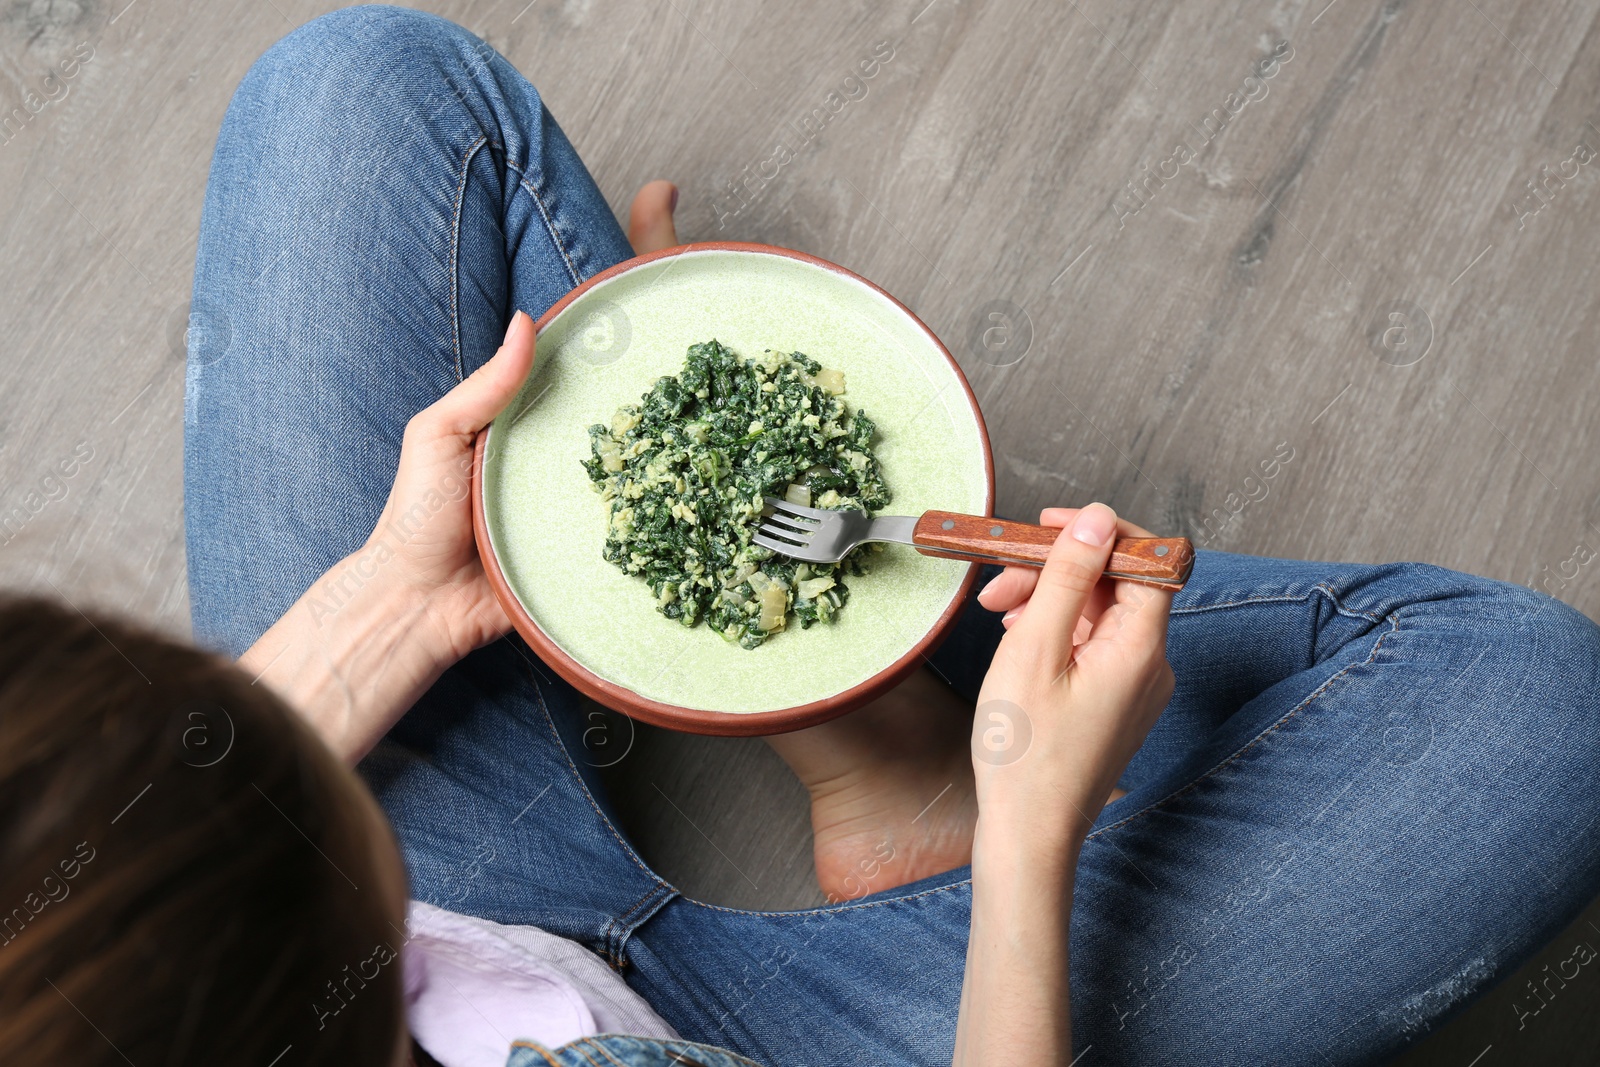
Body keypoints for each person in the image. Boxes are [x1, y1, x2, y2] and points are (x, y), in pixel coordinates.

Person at [4, 6, 1600, 1064]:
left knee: (364, 88)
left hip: (400, 914)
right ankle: (916, 662)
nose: (240, 709)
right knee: (1535, 718)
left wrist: (382, 615)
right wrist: (1028, 837)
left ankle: (861, 701)